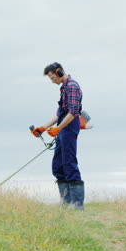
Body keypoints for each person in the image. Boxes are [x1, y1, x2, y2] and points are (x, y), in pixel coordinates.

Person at [31, 62, 85, 210]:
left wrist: (58, 129)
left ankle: (77, 204)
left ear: (59, 72)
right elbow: (58, 114)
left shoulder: (72, 86)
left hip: (69, 128)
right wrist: (43, 128)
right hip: (62, 129)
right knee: (58, 165)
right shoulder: (64, 88)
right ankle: (66, 201)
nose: (52, 81)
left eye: (53, 77)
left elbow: (73, 112)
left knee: (69, 163)